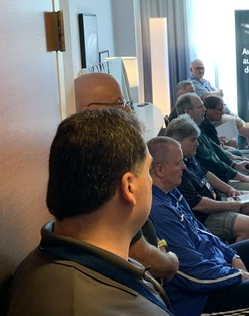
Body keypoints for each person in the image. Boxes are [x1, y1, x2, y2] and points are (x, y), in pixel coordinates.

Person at [5, 109, 172, 316]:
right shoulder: (86, 305)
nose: (150, 181)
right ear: (129, 187)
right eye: (147, 170)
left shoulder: (51, 258)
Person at [147, 136, 249, 316]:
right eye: (178, 163)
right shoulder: (159, 212)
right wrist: (235, 274)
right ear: (160, 170)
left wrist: (232, 256)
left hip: (209, 268)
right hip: (197, 301)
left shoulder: (170, 192)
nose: (184, 166)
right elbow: (192, 275)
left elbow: (202, 232)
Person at [74, 72, 179, 283]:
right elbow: (140, 254)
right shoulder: (100, 171)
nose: (128, 110)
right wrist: (171, 261)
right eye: (119, 103)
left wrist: (159, 245)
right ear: (88, 113)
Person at [166, 115, 249, 242]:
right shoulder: (177, 168)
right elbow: (198, 205)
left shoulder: (189, 156)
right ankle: (235, 250)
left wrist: (229, 189)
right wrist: (227, 206)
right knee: (246, 224)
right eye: (192, 140)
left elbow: (206, 174)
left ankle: (244, 241)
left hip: (215, 200)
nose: (197, 144)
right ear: (178, 142)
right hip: (204, 217)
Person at [175, 92, 249, 190]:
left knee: (247, 171)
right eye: (200, 107)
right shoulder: (188, 132)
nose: (205, 109)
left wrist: (234, 165)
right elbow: (209, 160)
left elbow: (213, 148)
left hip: (212, 176)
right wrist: (237, 175)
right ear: (188, 111)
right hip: (209, 182)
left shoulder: (197, 125)